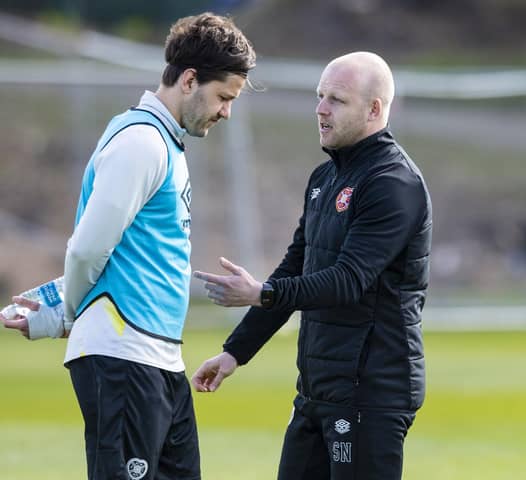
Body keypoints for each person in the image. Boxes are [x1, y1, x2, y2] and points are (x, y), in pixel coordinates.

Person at [1, 12, 255, 480]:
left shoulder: (165, 144)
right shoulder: (142, 142)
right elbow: (85, 249)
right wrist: (69, 313)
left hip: (158, 361)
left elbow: (119, 252)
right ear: (189, 79)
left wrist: (61, 305)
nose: (226, 112)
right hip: (124, 358)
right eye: (223, 97)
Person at [191, 51, 432, 480]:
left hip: (370, 391)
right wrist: (234, 353)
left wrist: (262, 292)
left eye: (336, 99)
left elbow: (348, 281)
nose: (320, 109)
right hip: (319, 388)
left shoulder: (393, 184)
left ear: (374, 109)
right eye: (320, 96)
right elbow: (295, 269)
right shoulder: (324, 179)